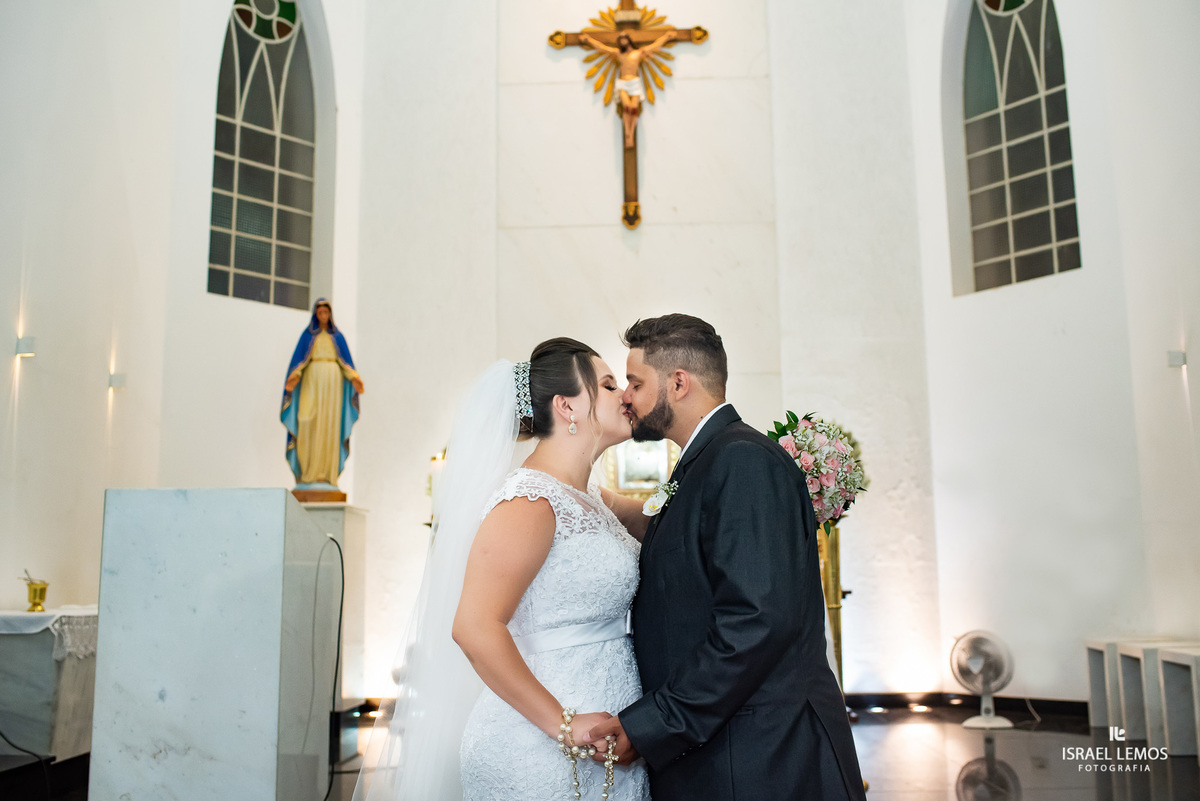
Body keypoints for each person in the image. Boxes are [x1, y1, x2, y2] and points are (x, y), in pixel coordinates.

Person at [583, 314, 868, 801]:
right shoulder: (707, 461)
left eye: (634, 382)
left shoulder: (741, 461)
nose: (626, 396)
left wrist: (655, 724)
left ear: (678, 382)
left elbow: (756, 623)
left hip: (760, 758)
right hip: (727, 746)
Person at [353, 338, 653, 801]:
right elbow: (473, 627)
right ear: (566, 405)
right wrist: (565, 725)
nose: (625, 395)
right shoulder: (529, 501)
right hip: (541, 749)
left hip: (608, 736)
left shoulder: (591, 496)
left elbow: (665, 520)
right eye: (609, 384)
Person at [280, 298, 364, 489]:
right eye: (320, 313)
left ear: (330, 314)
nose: (323, 316)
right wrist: (295, 375)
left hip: (333, 386)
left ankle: (326, 474)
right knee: (306, 420)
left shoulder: (338, 337)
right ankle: (307, 472)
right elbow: (298, 361)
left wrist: (354, 378)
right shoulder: (307, 337)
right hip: (311, 380)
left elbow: (346, 364)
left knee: (329, 425)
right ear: (316, 315)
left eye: (326, 313)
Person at [578, 30, 678, 148]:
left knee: (634, 109)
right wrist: (588, 40)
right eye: (620, 40)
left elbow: (655, 45)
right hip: (623, 83)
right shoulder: (619, 54)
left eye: (623, 39)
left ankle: (631, 132)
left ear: (628, 40)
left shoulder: (639, 52)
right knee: (627, 108)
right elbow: (602, 48)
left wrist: (666, 37)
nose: (622, 41)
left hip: (635, 83)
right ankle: (627, 135)